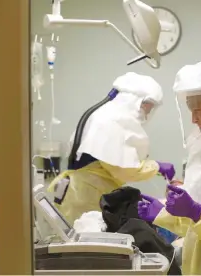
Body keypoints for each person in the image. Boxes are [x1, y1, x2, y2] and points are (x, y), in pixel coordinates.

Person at [47, 72, 176, 225]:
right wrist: (157, 167)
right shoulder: (110, 121)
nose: (147, 113)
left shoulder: (105, 116)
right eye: (146, 107)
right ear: (134, 101)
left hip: (83, 192)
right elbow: (125, 169)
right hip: (84, 197)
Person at [138, 60, 201, 275]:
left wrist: (195, 211)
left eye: (198, 111)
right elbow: (199, 227)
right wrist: (164, 214)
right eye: (190, 111)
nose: (194, 119)